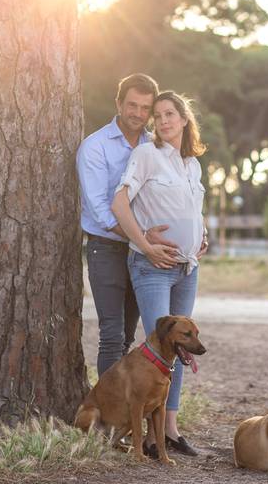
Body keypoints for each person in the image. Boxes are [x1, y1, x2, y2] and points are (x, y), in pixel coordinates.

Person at [111, 90, 208, 457]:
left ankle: (170, 430)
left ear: (185, 118)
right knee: (161, 351)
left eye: (170, 114)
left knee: (180, 348)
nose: (163, 121)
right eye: (158, 115)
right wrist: (146, 245)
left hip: (187, 268)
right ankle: (149, 439)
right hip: (152, 267)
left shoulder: (192, 164)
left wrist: (203, 234)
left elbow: (193, 209)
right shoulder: (146, 154)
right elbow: (119, 202)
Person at [76, 73, 176, 377]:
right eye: (131, 105)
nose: (137, 113)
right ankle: (107, 416)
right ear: (118, 103)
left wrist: (199, 231)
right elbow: (101, 212)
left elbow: (173, 193)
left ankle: (123, 409)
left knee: (131, 338)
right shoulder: (94, 147)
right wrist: (140, 236)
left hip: (144, 252)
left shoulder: (157, 147)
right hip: (106, 248)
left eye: (145, 108)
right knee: (112, 336)